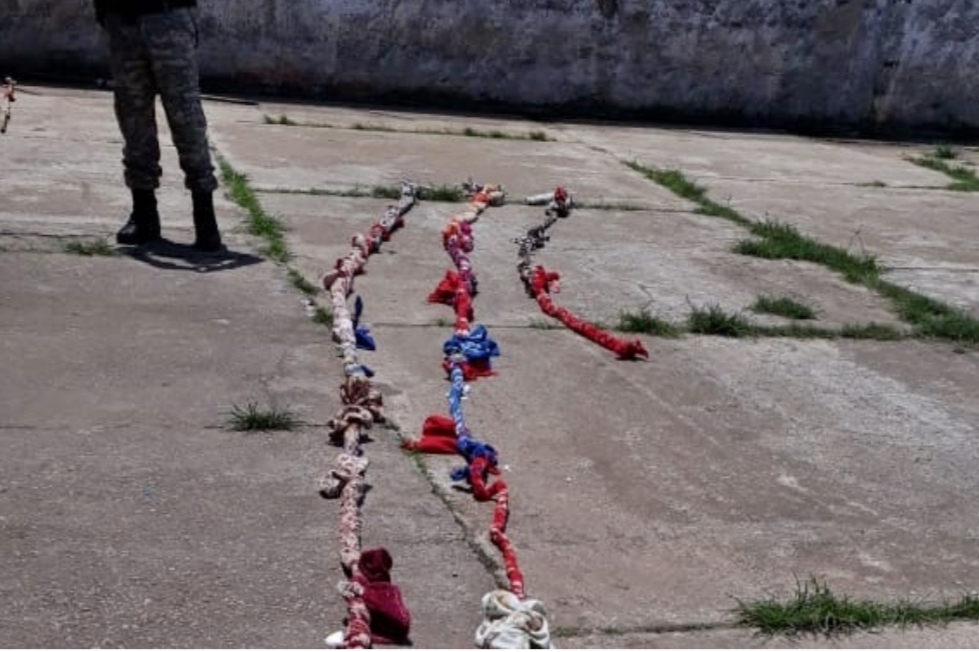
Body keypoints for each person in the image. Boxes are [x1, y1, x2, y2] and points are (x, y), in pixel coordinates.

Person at [94, 0, 222, 250]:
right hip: (122, 20)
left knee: (185, 117)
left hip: (167, 17)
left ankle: (205, 216)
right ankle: (144, 215)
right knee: (133, 119)